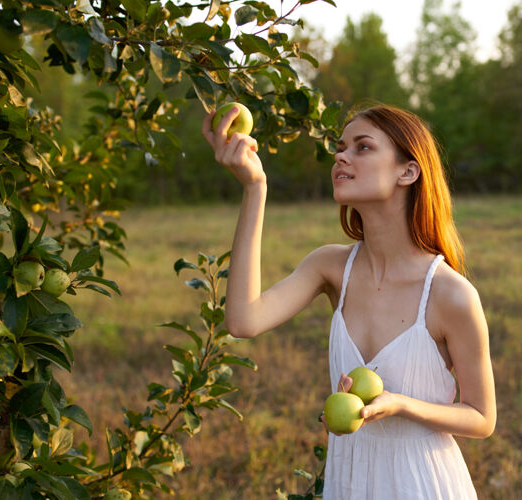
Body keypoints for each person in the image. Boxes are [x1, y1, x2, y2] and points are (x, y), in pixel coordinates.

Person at [201, 104, 496, 499]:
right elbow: (242, 321)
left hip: (424, 485)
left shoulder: (450, 294)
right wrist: (255, 189)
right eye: (340, 148)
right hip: (350, 485)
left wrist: (401, 405)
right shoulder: (330, 266)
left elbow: (481, 417)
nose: (341, 156)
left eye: (362, 147)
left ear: (407, 171)